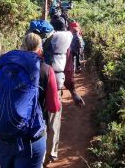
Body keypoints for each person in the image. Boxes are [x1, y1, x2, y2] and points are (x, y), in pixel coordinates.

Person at [0, 34, 47, 168]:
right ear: (40, 49)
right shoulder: (45, 70)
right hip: (30, 140)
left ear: (22, 46)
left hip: (1, 139)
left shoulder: (6, 67)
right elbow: (54, 106)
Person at [44, 19, 85, 165]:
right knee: (54, 120)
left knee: (39, 120)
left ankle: (38, 154)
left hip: (39, 87)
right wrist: (73, 92)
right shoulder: (66, 44)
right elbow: (68, 71)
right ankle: (51, 153)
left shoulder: (44, 42)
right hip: (56, 85)